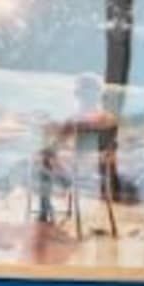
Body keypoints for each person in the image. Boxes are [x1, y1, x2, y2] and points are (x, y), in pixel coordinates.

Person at [34, 75, 115, 224]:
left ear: (78, 95)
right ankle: (59, 190)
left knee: (43, 160)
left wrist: (46, 147)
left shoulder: (75, 119)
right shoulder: (109, 119)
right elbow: (110, 149)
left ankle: (45, 211)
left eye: (77, 93)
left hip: (77, 173)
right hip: (98, 173)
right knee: (49, 159)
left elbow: (55, 146)